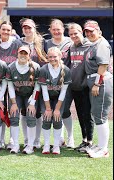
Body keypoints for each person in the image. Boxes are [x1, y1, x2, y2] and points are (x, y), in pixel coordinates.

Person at [83, 20, 113, 158]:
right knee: (97, 114)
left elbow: (103, 65)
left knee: (100, 115)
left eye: (91, 31)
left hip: (101, 81)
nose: (89, 33)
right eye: (87, 31)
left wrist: (96, 83)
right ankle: (101, 145)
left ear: (99, 31)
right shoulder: (94, 44)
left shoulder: (101, 44)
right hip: (95, 80)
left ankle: (104, 149)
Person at [0, 21, 22, 150]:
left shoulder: (17, 43)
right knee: (1, 110)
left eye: (8, 30)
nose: (6, 32)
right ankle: (1, 139)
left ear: (11, 31)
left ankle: (12, 139)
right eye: (3, 30)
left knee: (13, 110)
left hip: (14, 81)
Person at [18, 18, 48, 150]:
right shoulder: (18, 42)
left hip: (39, 81)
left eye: (29, 27)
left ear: (34, 28)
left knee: (37, 112)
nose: (27, 30)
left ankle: (36, 140)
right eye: (25, 27)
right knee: (24, 111)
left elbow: (47, 60)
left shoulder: (42, 42)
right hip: (24, 82)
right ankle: (26, 139)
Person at [6, 46, 41, 154]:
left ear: (29, 55)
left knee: (31, 116)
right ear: (17, 54)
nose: (23, 55)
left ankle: (30, 145)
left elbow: (37, 87)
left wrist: (33, 102)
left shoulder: (35, 67)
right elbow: (10, 86)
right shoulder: (11, 67)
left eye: (25, 53)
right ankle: (15, 144)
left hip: (30, 95)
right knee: (14, 116)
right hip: (16, 95)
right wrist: (13, 103)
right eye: (21, 53)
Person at [45, 19, 74, 148]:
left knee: (65, 110)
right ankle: (60, 138)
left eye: (58, 29)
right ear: (50, 30)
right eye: (54, 29)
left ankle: (70, 136)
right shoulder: (46, 43)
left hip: (66, 80)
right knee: (55, 109)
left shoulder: (70, 41)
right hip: (51, 82)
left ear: (63, 29)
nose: (56, 31)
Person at [66, 23, 93, 152]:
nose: (73, 36)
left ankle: (90, 141)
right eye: (71, 34)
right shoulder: (71, 47)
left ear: (81, 32)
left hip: (85, 86)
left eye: (75, 33)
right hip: (75, 86)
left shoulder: (89, 45)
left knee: (88, 115)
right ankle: (84, 140)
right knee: (80, 115)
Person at [38, 47, 71, 155]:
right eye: (50, 57)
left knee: (57, 119)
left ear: (60, 56)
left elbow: (63, 92)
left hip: (58, 98)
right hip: (46, 98)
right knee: (47, 119)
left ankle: (56, 145)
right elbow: (44, 91)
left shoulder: (65, 70)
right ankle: (47, 145)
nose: (52, 59)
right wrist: (48, 108)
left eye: (54, 56)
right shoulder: (43, 69)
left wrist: (57, 109)